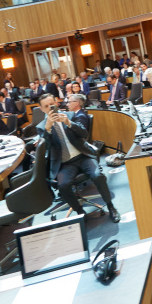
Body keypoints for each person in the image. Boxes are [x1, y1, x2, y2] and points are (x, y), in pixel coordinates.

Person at [37, 93, 120, 222]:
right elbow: (46, 148)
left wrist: (69, 123)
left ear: (57, 103)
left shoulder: (70, 115)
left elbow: (84, 134)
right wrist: (48, 129)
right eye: (46, 106)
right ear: (42, 109)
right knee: (63, 186)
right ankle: (80, 212)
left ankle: (111, 206)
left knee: (98, 176)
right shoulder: (42, 127)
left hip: (83, 156)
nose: (50, 108)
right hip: (65, 163)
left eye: (51, 104)